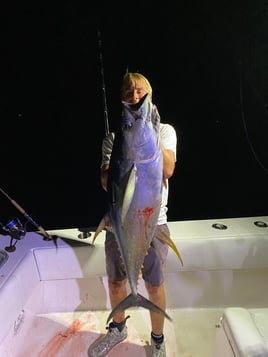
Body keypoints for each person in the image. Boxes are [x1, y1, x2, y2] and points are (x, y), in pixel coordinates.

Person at [88, 72, 177, 357]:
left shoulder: (165, 132)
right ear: (121, 100)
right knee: (115, 282)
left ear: (150, 96)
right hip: (119, 223)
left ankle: (158, 339)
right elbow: (105, 180)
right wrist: (112, 165)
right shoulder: (113, 138)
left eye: (139, 91)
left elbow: (167, 170)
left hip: (153, 223)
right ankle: (118, 328)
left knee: (154, 285)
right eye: (128, 93)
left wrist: (150, 127)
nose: (134, 95)